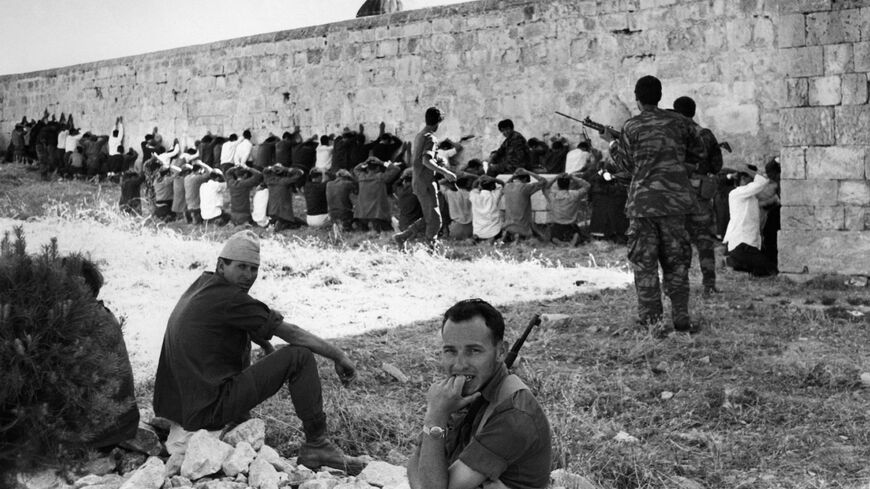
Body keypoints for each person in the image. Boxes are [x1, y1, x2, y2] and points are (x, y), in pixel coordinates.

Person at [153, 231, 366, 474]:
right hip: (205, 411)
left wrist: (265, 345)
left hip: (179, 407)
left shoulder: (204, 285)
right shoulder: (231, 299)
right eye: (241, 267)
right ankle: (317, 444)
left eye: (254, 269)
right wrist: (339, 355)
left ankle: (240, 419)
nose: (248, 276)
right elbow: (293, 334)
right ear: (222, 265)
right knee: (300, 356)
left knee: (242, 339)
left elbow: (244, 320)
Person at [406, 298, 551, 489]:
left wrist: (435, 416)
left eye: (473, 351)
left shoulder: (514, 414)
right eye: (450, 351)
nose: (459, 365)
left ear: (501, 352)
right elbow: (415, 463)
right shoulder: (464, 393)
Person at [600, 75, 706, 334]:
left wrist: (611, 144)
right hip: (675, 205)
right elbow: (700, 152)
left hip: (643, 205)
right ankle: (681, 315)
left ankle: (652, 322)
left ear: (637, 99)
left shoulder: (631, 126)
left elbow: (625, 165)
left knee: (645, 264)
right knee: (677, 262)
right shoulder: (681, 123)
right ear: (660, 95)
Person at [673, 96, 724, 294]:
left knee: (679, 241)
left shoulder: (674, 136)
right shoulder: (706, 134)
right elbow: (716, 165)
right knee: (704, 241)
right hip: (701, 195)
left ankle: (678, 283)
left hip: (679, 195)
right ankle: (709, 284)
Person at [393, 107, 457, 247]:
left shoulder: (420, 135)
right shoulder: (430, 137)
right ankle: (430, 249)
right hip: (426, 182)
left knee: (431, 217)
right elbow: (426, 160)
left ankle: (403, 237)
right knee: (435, 220)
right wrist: (445, 172)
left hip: (419, 181)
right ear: (438, 122)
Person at [722, 163, 778, 277]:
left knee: (765, 269)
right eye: (751, 179)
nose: (753, 182)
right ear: (743, 178)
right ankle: (735, 261)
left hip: (748, 245)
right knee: (771, 271)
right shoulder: (737, 193)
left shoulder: (750, 196)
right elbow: (762, 181)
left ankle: (736, 263)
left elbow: (765, 198)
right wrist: (747, 170)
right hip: (742, 245)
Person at [543, 172, 591, 246]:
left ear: (558, 185)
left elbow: (545, 187)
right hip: (571, 226)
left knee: (551, 236)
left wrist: (556, 177)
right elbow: (587, 185)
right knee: (578, 235)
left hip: (557, 227)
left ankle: (558, 241)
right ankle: (573, 239)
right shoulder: (574, 195)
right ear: (569, 185)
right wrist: (572, 177)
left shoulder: (553, 196)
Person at [502, 168, 546, 243]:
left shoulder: (506, 187)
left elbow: (504, 184)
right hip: (523, 228)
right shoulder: (526, 188)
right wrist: (528, 171)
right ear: (525, 179)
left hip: (508, 226)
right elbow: (544, 181)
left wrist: (514, 176)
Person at [263, 164, 306, 231]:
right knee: (299, 223)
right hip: (284, 214)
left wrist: (271, 168)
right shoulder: (286, 181)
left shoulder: (268, 180)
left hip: (271, 213)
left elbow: (264, 171)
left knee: (296, 221)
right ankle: (281, 224)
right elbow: (300, 172)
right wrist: (285, 168)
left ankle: (275, 223)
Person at [469, 175, 505, 242]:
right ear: (492, 186)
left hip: (478, 232)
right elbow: (503, 184)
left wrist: (479, 179)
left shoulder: (474, 196)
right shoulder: (495, 195)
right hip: (494, 232)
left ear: (480, 186)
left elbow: (473, 187)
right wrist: (493, 179)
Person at [326, 169, 357, 237]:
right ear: (347, 177)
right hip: (345, 215)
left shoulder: (328, 184)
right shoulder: (348, 184)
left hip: (332, 215)